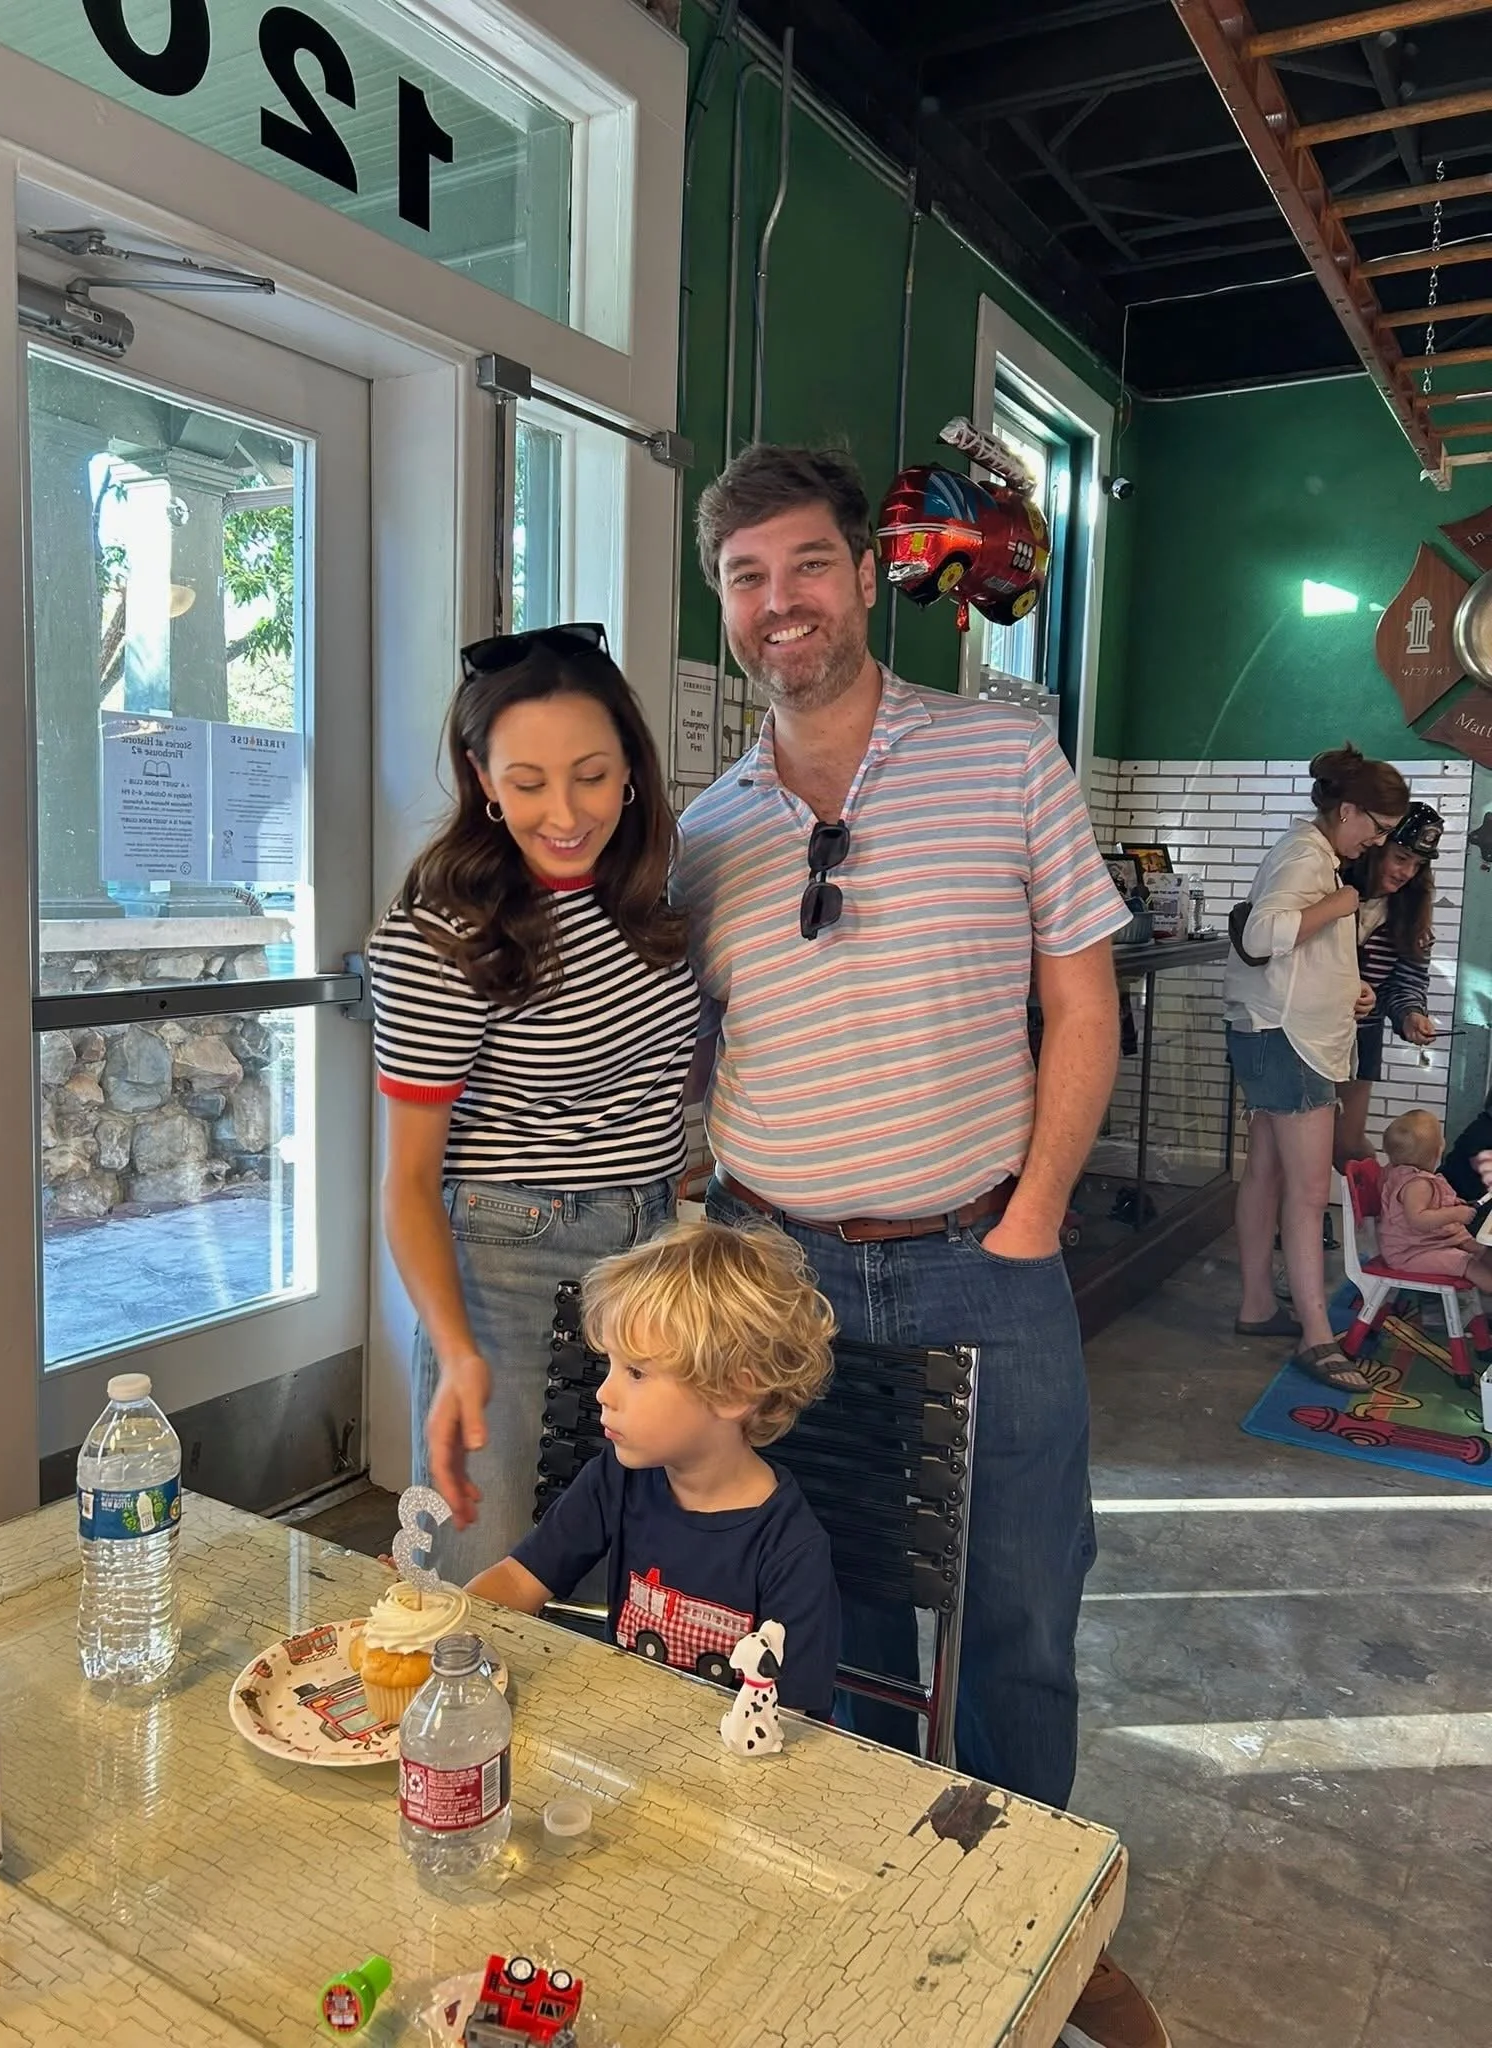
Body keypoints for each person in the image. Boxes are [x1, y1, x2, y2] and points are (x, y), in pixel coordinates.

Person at [675, 444, 1164, 2048]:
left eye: (807, 564)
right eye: (746, 576)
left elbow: (1080, 1003)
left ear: (865, 576)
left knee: (1020, 1604)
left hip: (980, 1256)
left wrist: (1032, 1222)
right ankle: (893, 1906)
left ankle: (1031, 1917)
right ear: (722, 600)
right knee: (832, 1606)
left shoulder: (1003, 757)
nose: (781, 602)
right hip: (781, 1277)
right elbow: (690, 1047)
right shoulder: (708, 828)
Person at [368, 624, 700, 1584]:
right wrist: (455, 1351)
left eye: (591, 776)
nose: (564, 812)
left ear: (630, 765)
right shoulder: (444, 936)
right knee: (486, 1573)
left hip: (648, 1256)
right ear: (482, 778)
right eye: (527, 783)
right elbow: (408, 1183)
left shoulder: (646, 892)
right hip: (510, 1263)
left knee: (625, 1566)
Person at [467, 1218, 841, 1717]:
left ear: (734, 1392)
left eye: (637, 1373)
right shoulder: (616, 1479)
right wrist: (443, 1626)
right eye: (611, 1365)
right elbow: (519, 1581)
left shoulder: (791, 1549)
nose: (604, 1393)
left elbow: (794, 1721)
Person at [1225, 746, 1408, 1392]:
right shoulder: (1308, 856)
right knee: (1306, 1193)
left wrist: (1350, 987)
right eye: (1377, 829)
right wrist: (1341, 904)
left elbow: (1296, 950)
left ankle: (1258, 1306)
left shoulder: (1315, 855)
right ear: (1349, 809)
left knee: (1268, 1174)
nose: (1377, 842)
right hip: (1291, 1040)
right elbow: (1261, 934)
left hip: (1279, 1032)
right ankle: (1317, 1337)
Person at [1334, 804, 1443, 1170]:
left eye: (1418, 865)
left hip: (1361, 1037)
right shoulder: (1331, 887)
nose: (1407, 873)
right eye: (1400, 858)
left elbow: (1406, 982)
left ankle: (1395, 1204)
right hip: (1305, 1033)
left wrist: (1411, 1014)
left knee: (1348, 1145)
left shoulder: (1410, 912)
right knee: (1296, 1145)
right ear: (1376, 846)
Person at [1376, 1110, 1492, 1288]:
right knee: (1468, 1263)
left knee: (1480, 1249)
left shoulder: (1398, 1173)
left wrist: (1453, 1204)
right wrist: (1455, 1214)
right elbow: (1418, 1220)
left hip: (1429, 1242)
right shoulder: (1418, 1185)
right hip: (1412, 1252)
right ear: (1438, 1151)